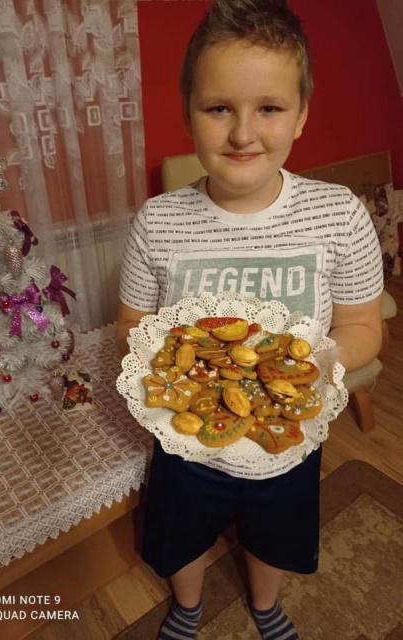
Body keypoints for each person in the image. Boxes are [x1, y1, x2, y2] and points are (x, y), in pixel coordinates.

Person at [116, 1, 383, 638]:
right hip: (184, 443)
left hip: (287, 439)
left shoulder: (339, 215)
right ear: (188, 113)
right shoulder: (158, 221)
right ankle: (188, 606)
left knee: (274, 538)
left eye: (269, 108)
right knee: (179, 537)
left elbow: (364, 328)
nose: (242, 134)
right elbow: (132, 324)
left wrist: (305, 364)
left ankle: (265, 606)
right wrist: (169, 365)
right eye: (218, 108)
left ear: (302, 114)